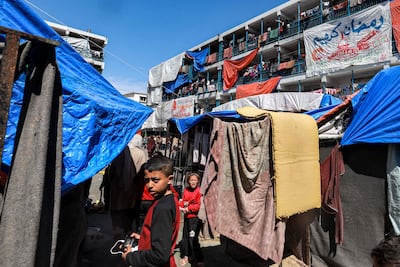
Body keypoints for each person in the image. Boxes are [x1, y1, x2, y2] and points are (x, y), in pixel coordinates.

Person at [122, 155, 181, 267]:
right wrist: (143, 237)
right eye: (146, 180)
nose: (149, 185)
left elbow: (159, 255)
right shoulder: (168, 199)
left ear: (170, 179)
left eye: (155, 180)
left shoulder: (162, 208)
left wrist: (130, 257)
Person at [179, 173, 204, 267]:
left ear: (198, 181)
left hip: (195, 219)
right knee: (185, 238)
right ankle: (186, 256)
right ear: (188, 181)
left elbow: (198, 205)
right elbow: (183, 201)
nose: (193, 182)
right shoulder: (186, 190)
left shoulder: (199, 192)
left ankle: (199, 258)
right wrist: (180, 205)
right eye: (191, 180)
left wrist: (188, 208)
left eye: (195, 180)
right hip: (187, 218)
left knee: (192, 238)